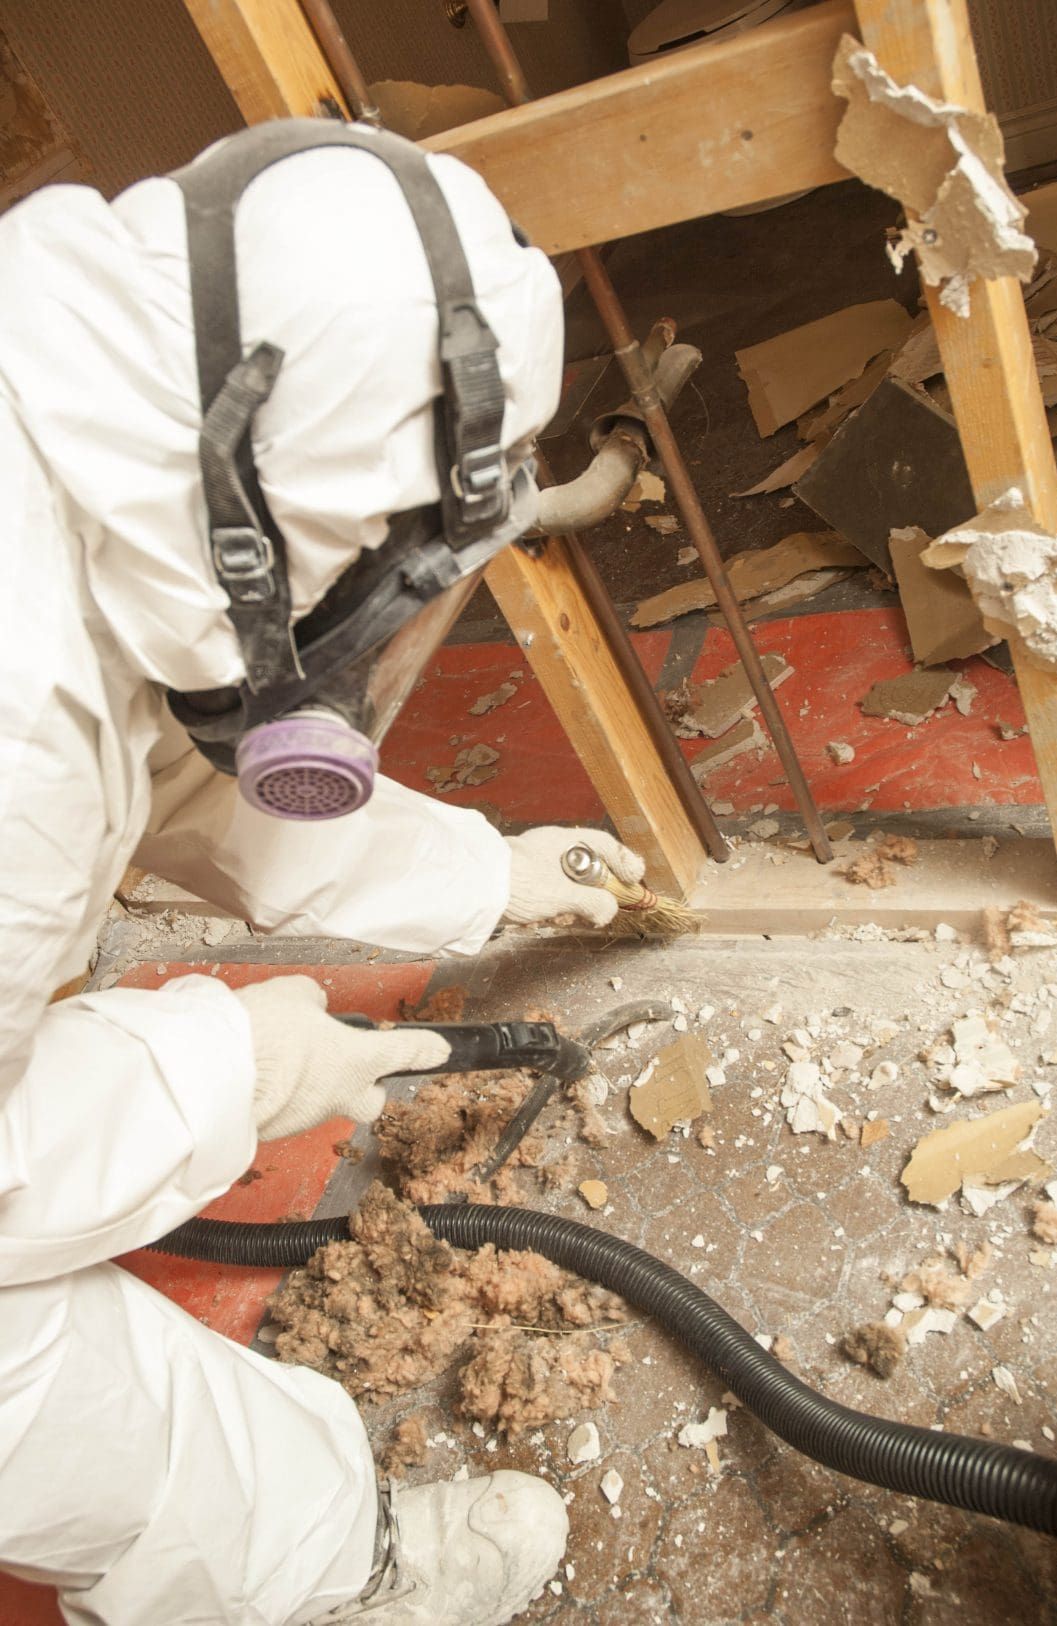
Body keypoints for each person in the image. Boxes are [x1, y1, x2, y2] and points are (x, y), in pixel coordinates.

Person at [0, 121, 645, 1625]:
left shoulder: (86, 428)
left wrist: (482, 874)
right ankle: (338, 1576)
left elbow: (169, 763)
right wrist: (228, 1060)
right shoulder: (10, 712)